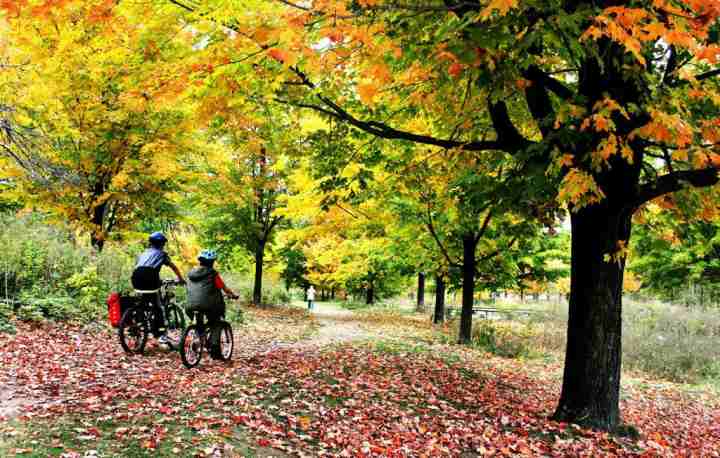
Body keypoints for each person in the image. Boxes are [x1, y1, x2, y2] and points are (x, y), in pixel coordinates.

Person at [131, 232, 185, 344]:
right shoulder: (162, 254)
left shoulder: (144, 253)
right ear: (162, 244)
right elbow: (173, 267)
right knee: (157, 306)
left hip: (136, 277)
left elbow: (140, 267)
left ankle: (139, 321)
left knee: (144, 301)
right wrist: (180, 278)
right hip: (151, 277)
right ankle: (160, 334)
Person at [186, 249, 238, 338]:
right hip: (209, 305)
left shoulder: (191, 273)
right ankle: (214, 346)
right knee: (215, 321)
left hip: (190, 304)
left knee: (199, 319)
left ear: (200, 261)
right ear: (212, 262)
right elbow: (224, 288)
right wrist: (233, 295)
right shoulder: (213, 274)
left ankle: (199, 336)